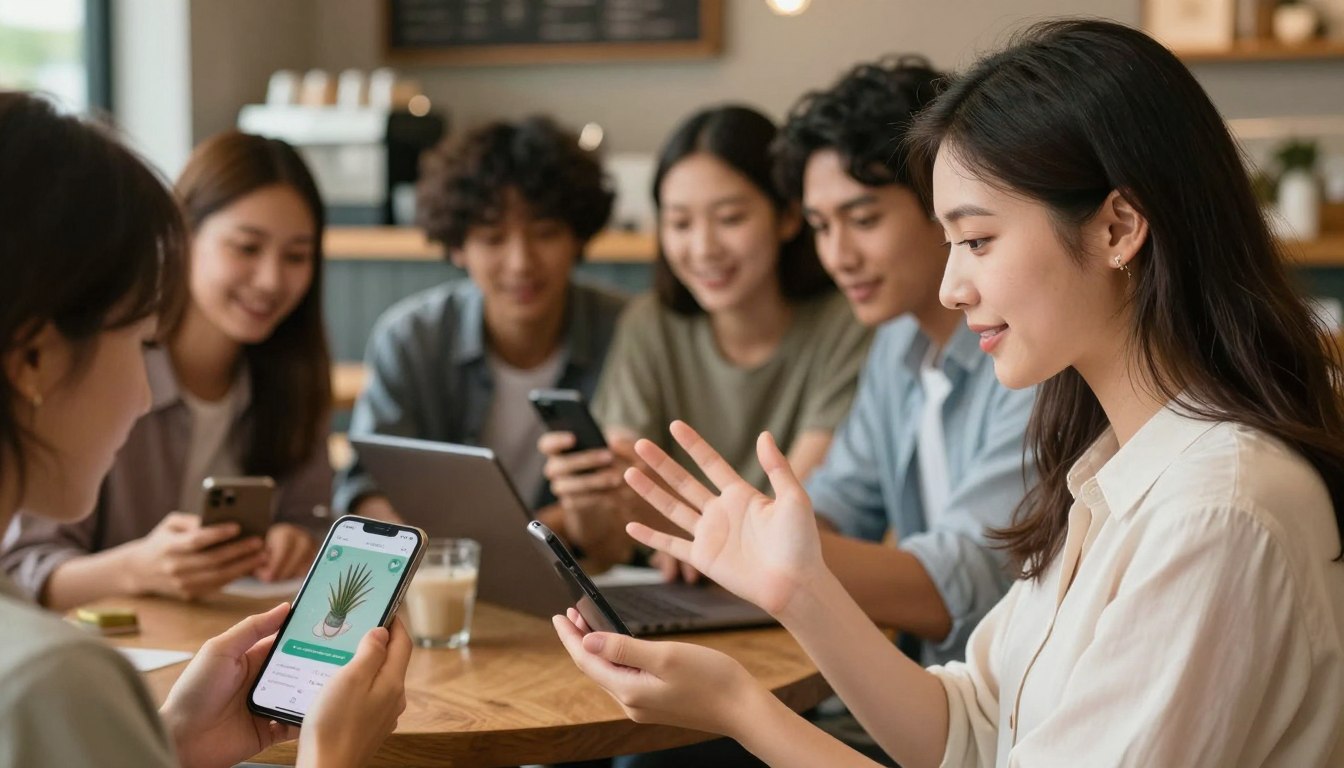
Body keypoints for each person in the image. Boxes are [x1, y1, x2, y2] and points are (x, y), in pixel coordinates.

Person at [554, 19, 1344, 766]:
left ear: (1117, 228)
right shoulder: (1107, 467)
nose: (952, 284)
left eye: (976, 240)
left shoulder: (1213, 510)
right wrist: (799, 589)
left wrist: (743, 708)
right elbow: (965, 728)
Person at [0, 91, 407, 768]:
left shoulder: (286, 378)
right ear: (34, 358)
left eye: (296, 255)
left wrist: (172, 747)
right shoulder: (48, 681)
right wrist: (332, 757)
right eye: (135, 340)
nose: (142, 395)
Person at [770, 56, 1033, 666]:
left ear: (942, 203)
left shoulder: (1030, 349)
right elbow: (840, 501)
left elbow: (962, 582)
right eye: (819, 226)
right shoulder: (896, 344)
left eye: (863, 220)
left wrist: (763, 547)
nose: (838, 255)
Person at [2, 131, 334, 610]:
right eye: (246, 248)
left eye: (297, 256)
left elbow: (314, 519)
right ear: (184, 237)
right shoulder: (99, 374)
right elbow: (20, 570)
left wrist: (296, 542)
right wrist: (138, 569)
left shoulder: (294, 378)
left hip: (231, 645)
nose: (271, 280)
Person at [540, 105, 871, 565]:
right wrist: (588, 498)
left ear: (789, 217)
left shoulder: (846, 326)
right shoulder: (649, 323)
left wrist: (675, 528)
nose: (702, 248)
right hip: (676, 591)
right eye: (679, 223)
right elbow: (606, 544)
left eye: (730, 218)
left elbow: (795, 522)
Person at [333, 116, 630, 564]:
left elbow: (632, 512)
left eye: (546, 233)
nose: (520, 263)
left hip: (582, 593)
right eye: (493, 238)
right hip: (437, 584)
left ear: (578, 237)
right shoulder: (412, 339)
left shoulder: (626, 333)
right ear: (457, 246)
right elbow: (364, 489)